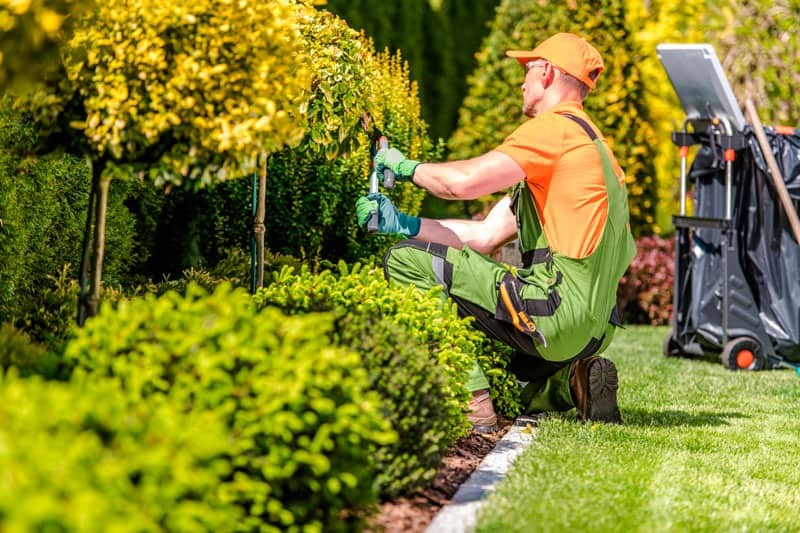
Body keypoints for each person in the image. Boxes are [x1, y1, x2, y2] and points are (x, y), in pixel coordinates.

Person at [355, 32, 636, 431]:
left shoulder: (554, 130)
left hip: (555, 312)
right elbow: (485, 235)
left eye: (527, 70)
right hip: (594, 329)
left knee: (404, 261)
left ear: (547, 73)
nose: (522, 82)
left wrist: (406, 167)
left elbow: (462, 184)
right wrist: (403, 223)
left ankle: (470, 402)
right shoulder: (595, 149)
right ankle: (570, 382)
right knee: (507, 376)